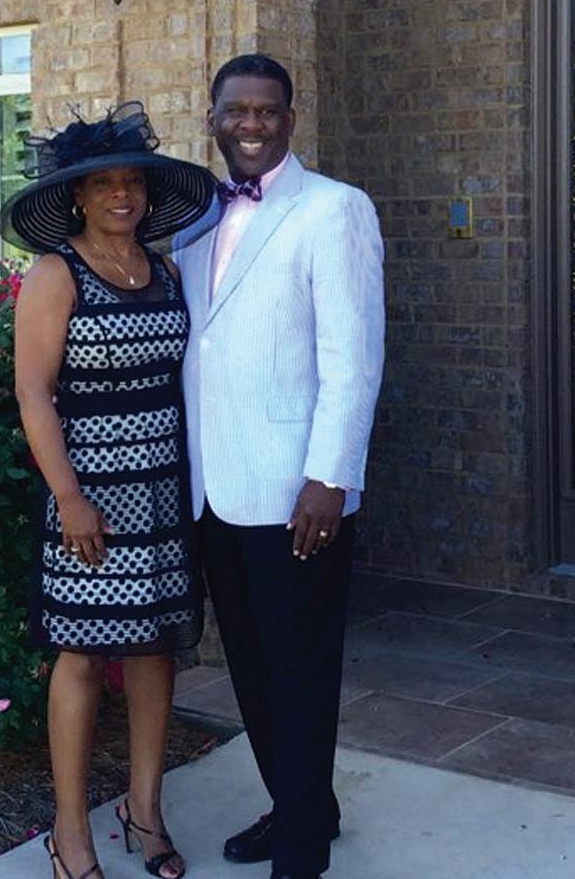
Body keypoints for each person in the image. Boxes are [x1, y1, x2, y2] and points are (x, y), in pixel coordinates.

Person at [173, 55, 385, 879]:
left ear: (290, 120)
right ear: (214, 121)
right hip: (215, 490)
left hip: (298, 493)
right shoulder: (194, 219)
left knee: (300, 672)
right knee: (253, 672)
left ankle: (301, 853)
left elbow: (353, 358)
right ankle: (304, 807)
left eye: (267, 111)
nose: (251, 124)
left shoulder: (334, 208)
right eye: (237, 111)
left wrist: (331, 476)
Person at [0, 102, 217, 879]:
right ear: (78, 197)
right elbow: (33, 392)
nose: (122, 194)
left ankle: (144, 810)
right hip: (87, 495)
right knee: (84, 655)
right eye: (104, 184)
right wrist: (68, 497)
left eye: (133, 182)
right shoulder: (56, 274)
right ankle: (71, 835)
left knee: (155, 649)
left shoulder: (166, 271)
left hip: (161, 492)